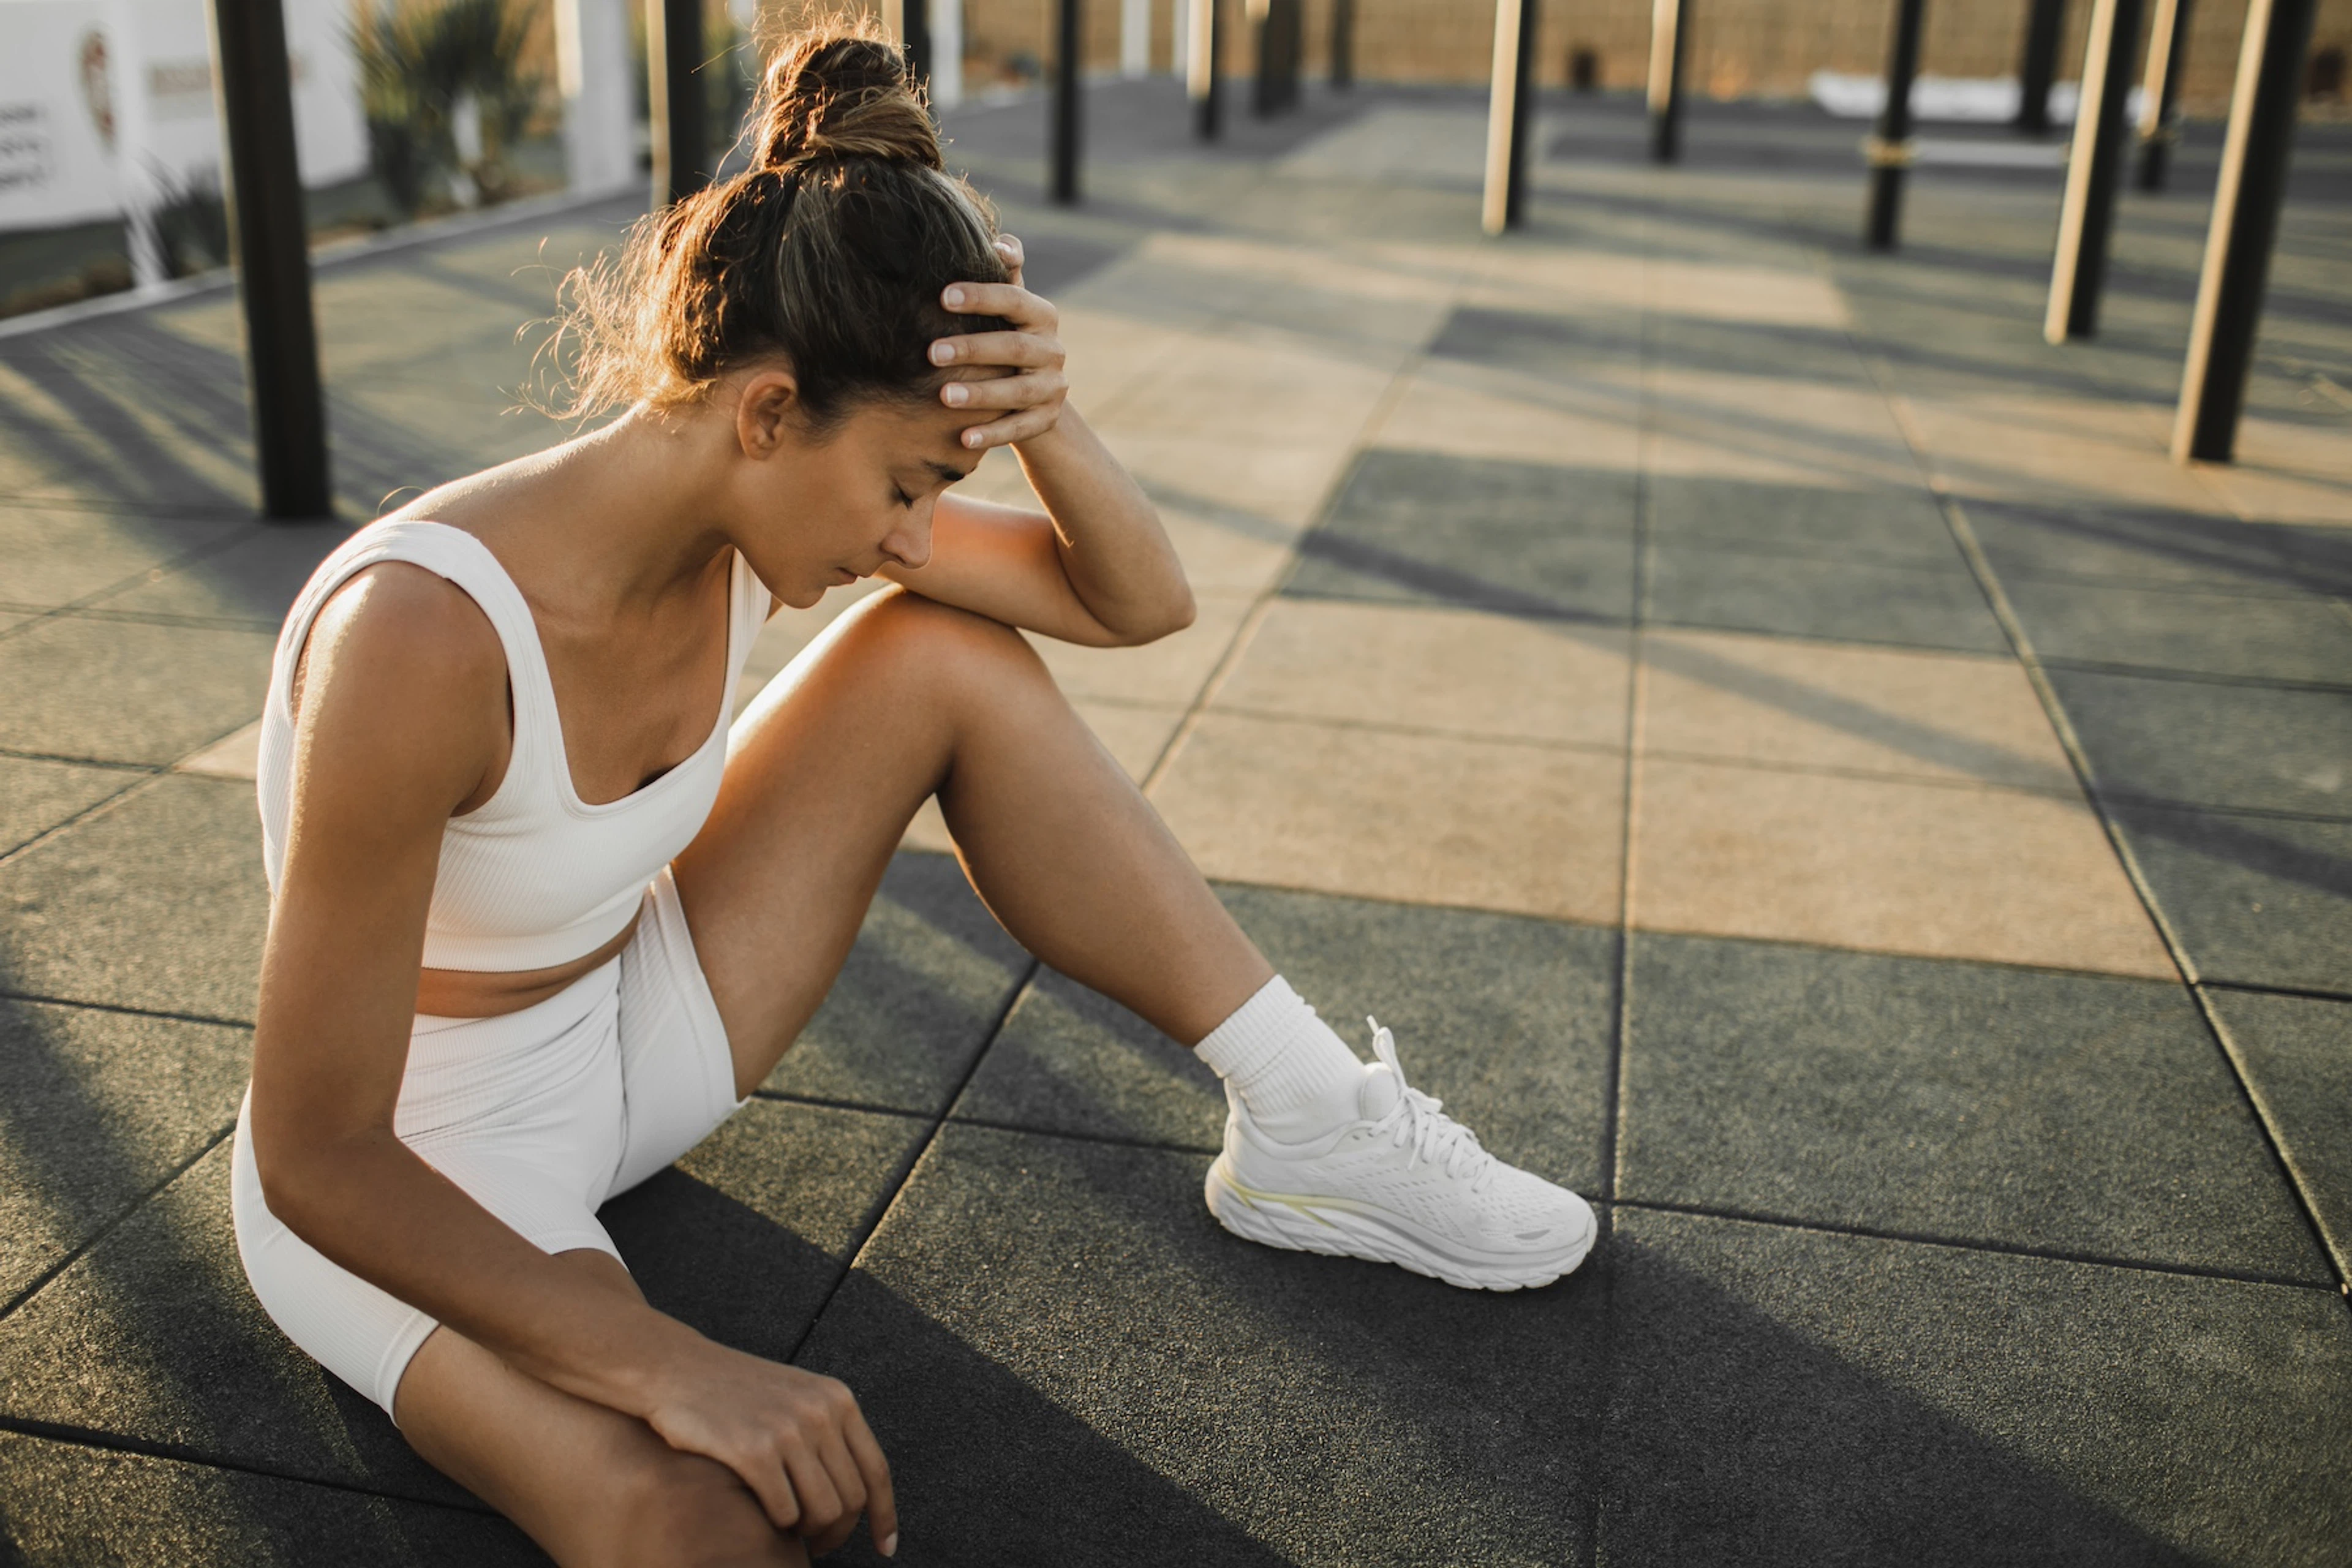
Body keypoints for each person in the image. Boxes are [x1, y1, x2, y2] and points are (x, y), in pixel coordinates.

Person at [232, 23, 1594, 1566]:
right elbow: (316, 1151)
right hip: (419, 1161)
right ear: (762, 412)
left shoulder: (761, 498)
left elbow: (1132, 600)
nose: (907, 536)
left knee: (949, 652)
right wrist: (675, 1363)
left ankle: (1306, 1120)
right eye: (909, 486)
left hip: (630, 1033)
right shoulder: (420, 634)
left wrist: (1047, 417)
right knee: (695, 1507)